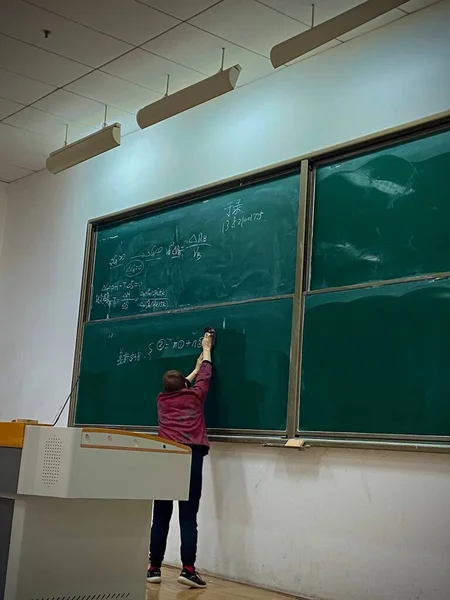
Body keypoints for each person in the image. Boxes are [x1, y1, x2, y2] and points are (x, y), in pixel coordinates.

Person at [147, 330, 214, 589]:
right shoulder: (195, 396)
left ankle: (154, 567)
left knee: (161, 515)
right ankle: (188, 569)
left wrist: (192, 372)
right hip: (190, 457)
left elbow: (181, 385)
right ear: (186, 387)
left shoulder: (161, 400)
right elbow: (204, 378)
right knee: (188, 515)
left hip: (165, 457)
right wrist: (206, 350)